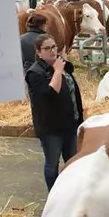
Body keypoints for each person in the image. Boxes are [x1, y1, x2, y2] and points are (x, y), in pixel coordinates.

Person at [25, 34, 83, 191]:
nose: (52, 51)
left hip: (70, 123)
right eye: (47, 48)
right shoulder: (34, 73)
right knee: (52, 164)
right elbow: (50, 95)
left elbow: (72, 92)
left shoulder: (62, 65)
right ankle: (54, 194)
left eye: (54, 47)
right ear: (38, 52)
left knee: (72, 161)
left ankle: (71, 192)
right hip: (51, 128)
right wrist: (57, 71)